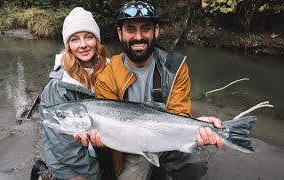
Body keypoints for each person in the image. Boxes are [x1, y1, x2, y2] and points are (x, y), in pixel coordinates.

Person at [81, 1, 224, 180]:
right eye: (131, 29)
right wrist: (102, 143)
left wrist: (196, 124)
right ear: (120, 33)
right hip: (130, 147)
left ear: (156, 31)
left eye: (145, 29)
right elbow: (108, 131)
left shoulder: (175, 67)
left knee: (195, 164)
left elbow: (178, 113)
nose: (138, 37)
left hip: (166, 138)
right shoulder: (107, 75)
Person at [37, 7, 109, 180]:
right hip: (68, 161)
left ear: (97, 41)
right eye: (75, 39)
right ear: (68, 45)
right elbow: (64, 146)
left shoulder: (112, 70)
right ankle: (48, 175)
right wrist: (94, 175)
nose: (83, 45)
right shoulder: (57, 86)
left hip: (97, 148)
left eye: (88, 37)